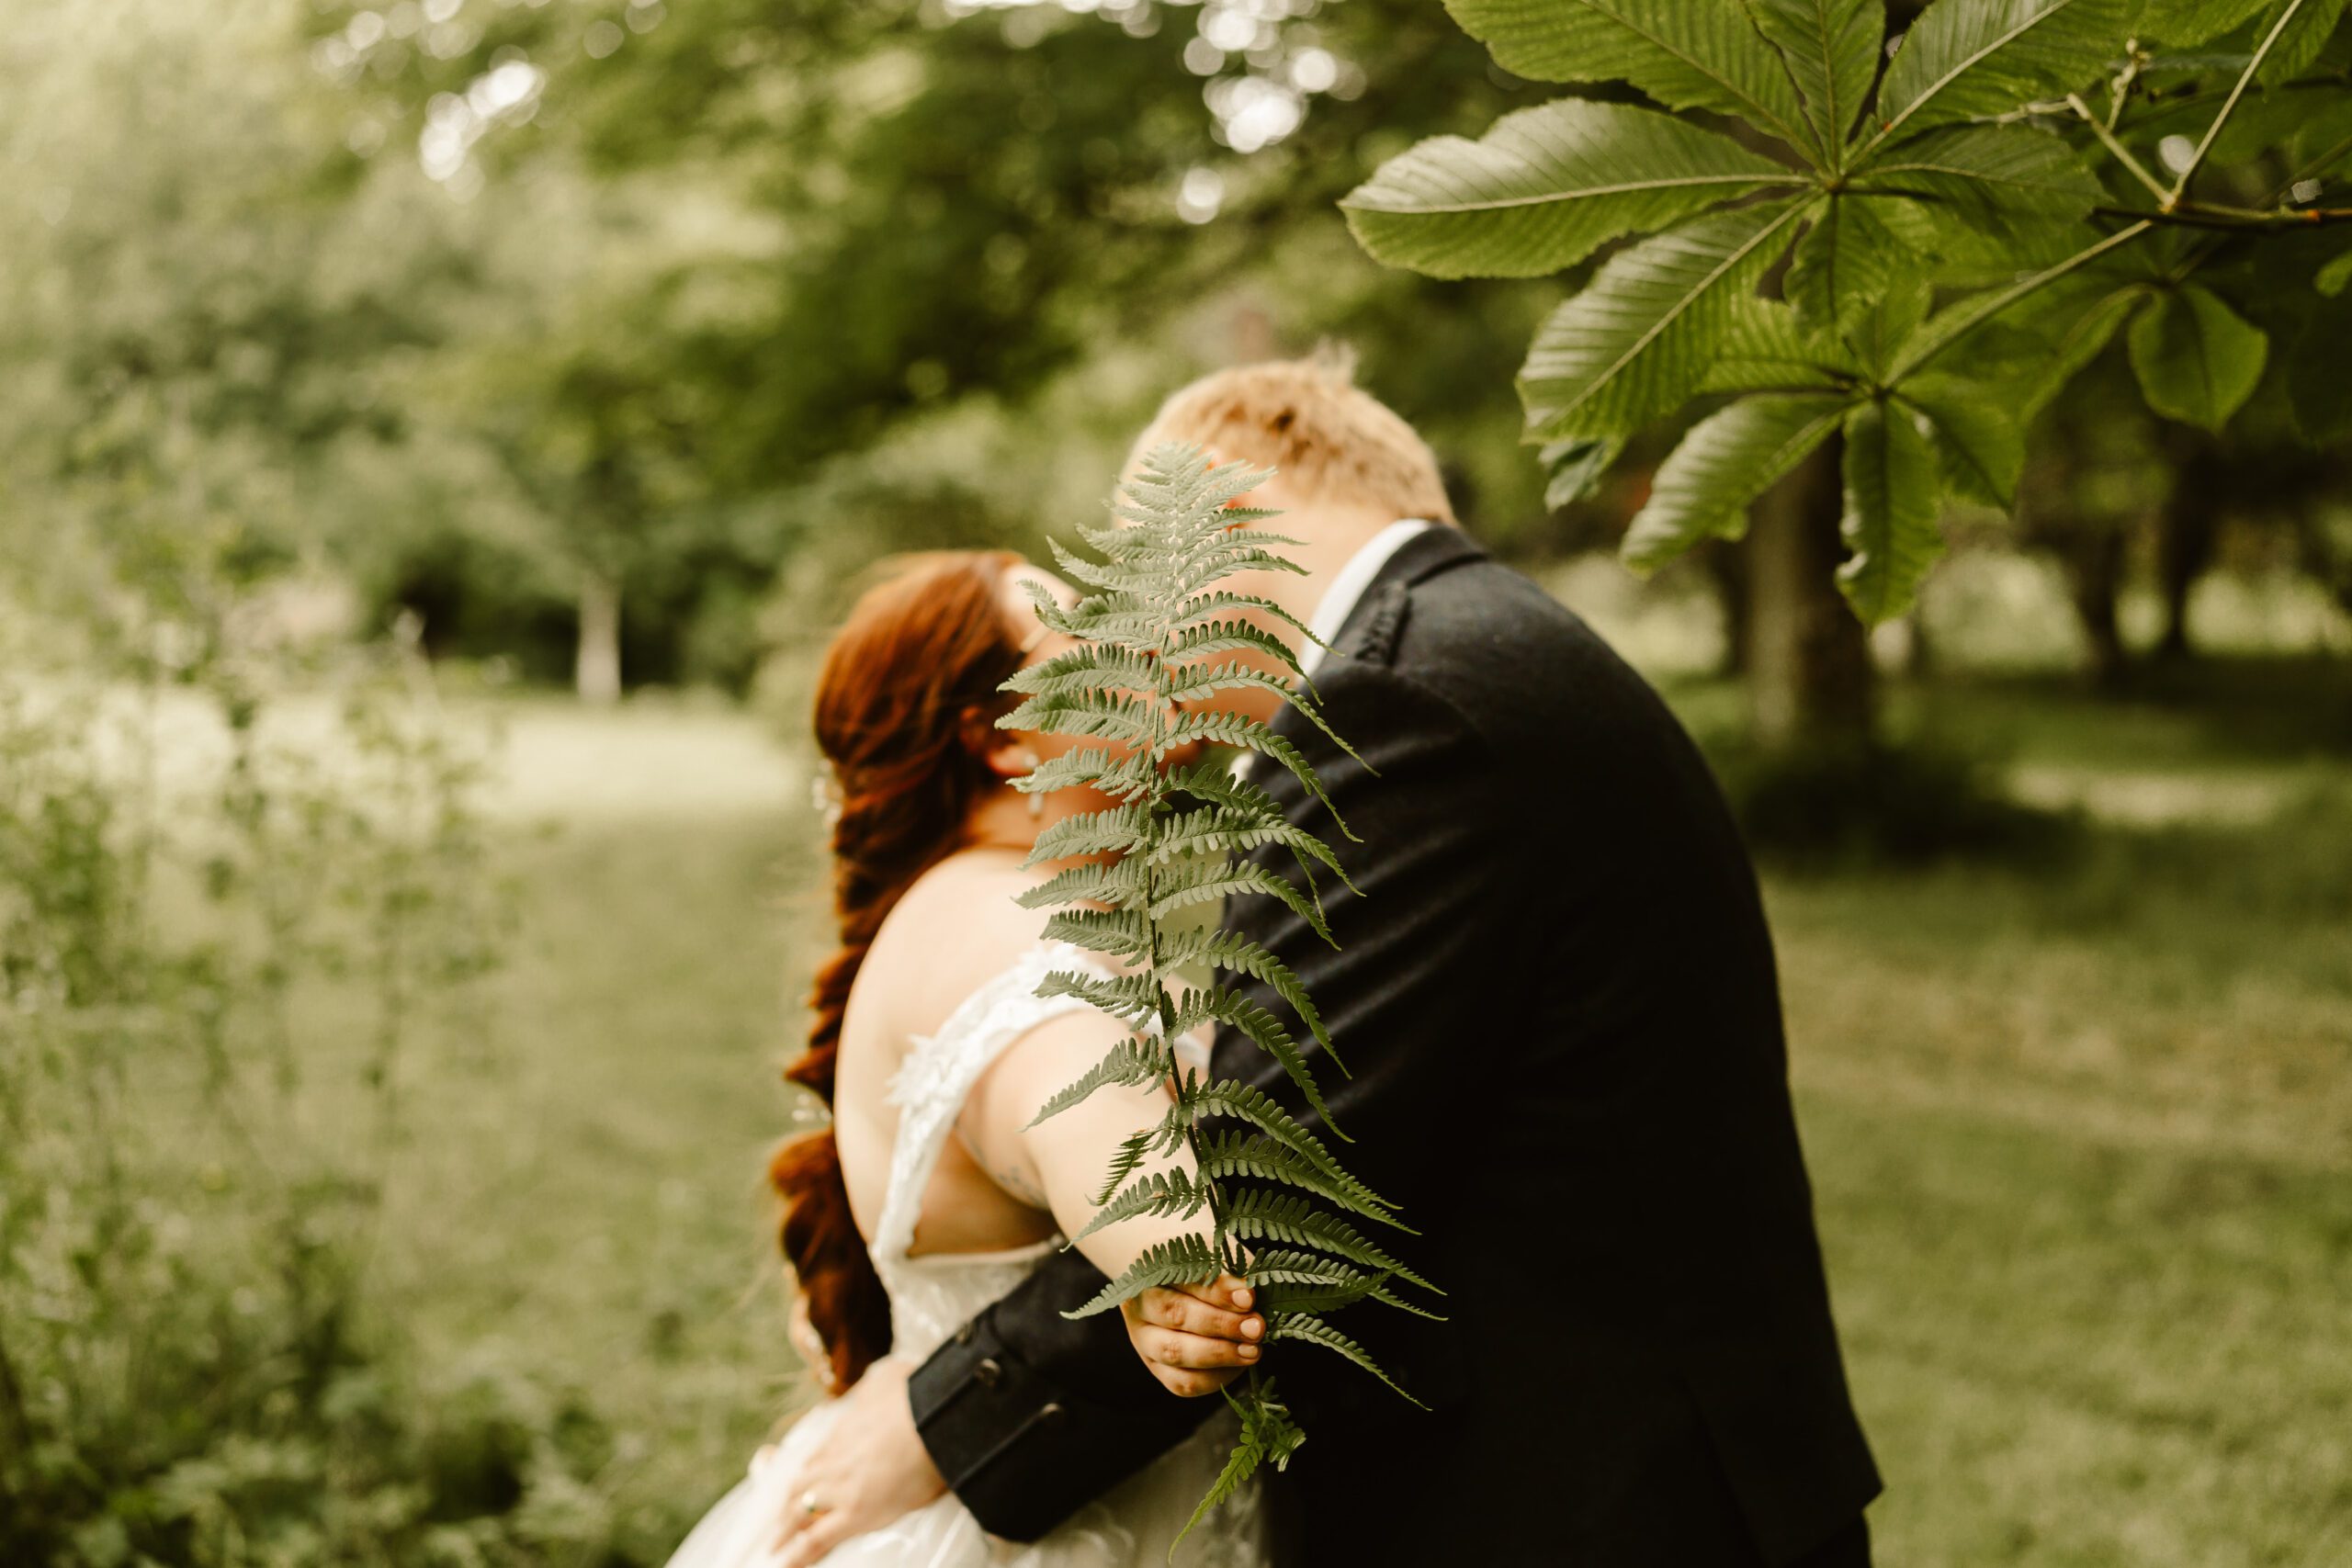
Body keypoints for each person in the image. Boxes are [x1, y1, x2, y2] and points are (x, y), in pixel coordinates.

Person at [770, 355, 1883, 1567]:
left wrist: (948, 1414)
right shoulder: (1474, 653)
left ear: (1225, 515)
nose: (1139, 640)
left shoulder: (1401, 698)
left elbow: (1270, 1172)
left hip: (1595, 1502)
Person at [664, 551, 1272, 1568]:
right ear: (995, 742)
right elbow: (1122, 1167)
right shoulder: (1004, 934)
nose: (1127, 654)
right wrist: (1168, 1274)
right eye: (1082, 641)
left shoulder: (985, 911)